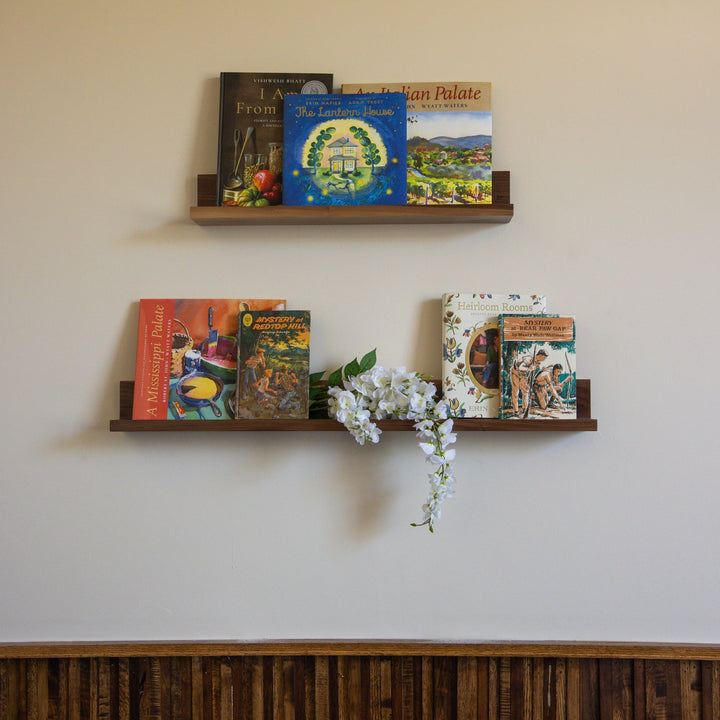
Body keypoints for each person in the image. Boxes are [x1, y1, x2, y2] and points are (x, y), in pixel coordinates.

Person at [509, 349, 547, 417]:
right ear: (540, 355)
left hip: (523, 375)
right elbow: (520, 367)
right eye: (544, 357)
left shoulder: (537, 363)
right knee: (515, 392)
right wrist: (529, 369)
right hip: (515, 372)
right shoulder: (529, 359)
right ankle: (516, 411)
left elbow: (531, 374)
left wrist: (528, 383)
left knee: (525, 391)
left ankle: (525, 409)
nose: (544, 359)